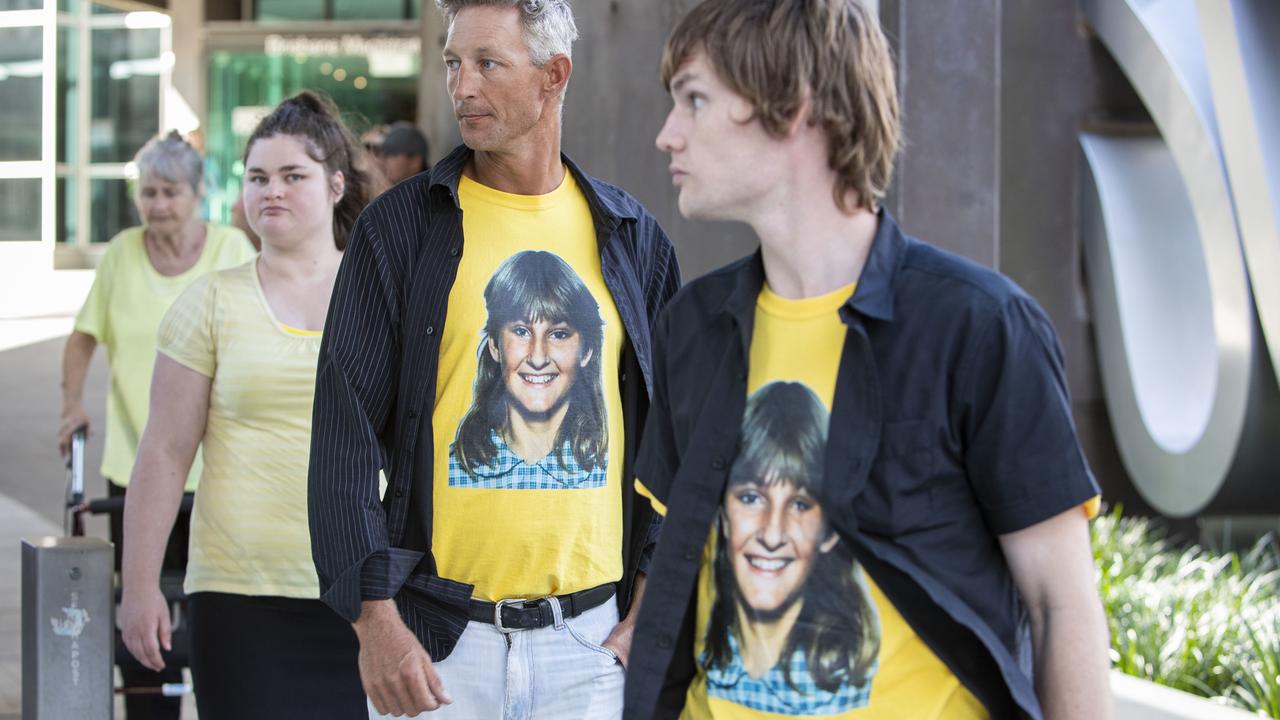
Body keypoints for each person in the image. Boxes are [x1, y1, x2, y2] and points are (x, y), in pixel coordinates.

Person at [626, 1, 1112, 719]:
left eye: (695, 99)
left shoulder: (980, 329)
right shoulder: (692, 329)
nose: (667, 135)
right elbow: (676, 574)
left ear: (791, 104)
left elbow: (1060, 604)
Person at [306, 1, 680, 718]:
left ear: (553, 76)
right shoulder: (401, 230)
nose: (462, 87)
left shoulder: (633, 239)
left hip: (592, 648)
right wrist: (375, 625)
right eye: (453, 62)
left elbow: (678, 441)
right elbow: (342, 440)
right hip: (440, 649)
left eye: (488, 64)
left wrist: (651, 608)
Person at [118, 91, 380, 718]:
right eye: (258, 177)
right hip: (238, 597)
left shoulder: (381, 296)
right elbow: (163, 451)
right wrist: (139, 585)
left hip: (363, 599)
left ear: (336, 184)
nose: (273, 191)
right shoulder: (209, 303)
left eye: (294, 176)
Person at [57, 130, 254, 720]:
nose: (158, 205)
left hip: (221, 476)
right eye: (148, 193)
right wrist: (72, 405)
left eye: (170, 192)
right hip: (137, 471)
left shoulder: (232, 251)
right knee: (141, 616)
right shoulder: (121, 253)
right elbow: (81, 338)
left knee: (217, 613)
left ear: (198, 194)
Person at [702, 382, 879, 716]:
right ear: (723, 513)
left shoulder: (848, 680)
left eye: (800, 504)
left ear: (829, 530)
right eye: (751, 498)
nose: (771, 534)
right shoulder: (705, 652)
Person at [449, 250, 608, 490]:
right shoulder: (456, 467)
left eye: (559, 334)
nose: (538, 357)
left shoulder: (606, 470)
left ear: (586, 351)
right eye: (521, 331)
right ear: (494, 345)